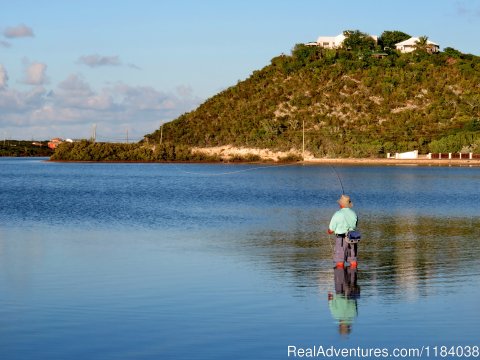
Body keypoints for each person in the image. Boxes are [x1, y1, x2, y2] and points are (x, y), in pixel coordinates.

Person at [327, 194, 358, 268]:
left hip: (341, 239)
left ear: (341, 204)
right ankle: (353, 277)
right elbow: (355, 226)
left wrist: (329, 231)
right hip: (353, 238)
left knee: (340, 262)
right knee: (353, 261)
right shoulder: (354, 214)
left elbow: (331, 230)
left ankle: (340, 278)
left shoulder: (337, 214)